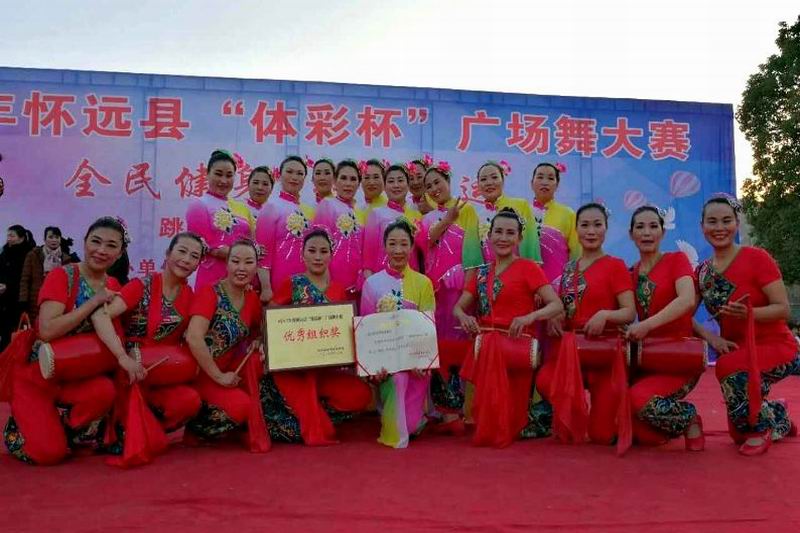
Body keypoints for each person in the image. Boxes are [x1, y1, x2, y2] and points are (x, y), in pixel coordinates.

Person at [3, 217, 144, 465]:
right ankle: (20, 429)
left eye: (111, 245)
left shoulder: (113, 285)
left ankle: (65, 429)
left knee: (104, 391)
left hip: (78, 375)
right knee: (48, 454)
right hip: (40, 375)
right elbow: (47, 330)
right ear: (85, 241)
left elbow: (117, 334)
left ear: (120, 253)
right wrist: (93, 302)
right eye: (96, 241)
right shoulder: (63, 276)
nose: (101, 250)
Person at [694, 195, 798, 456]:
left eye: (726, 221)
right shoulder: (703, 272)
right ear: (702, 226)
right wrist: (712, 339)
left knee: (728, 368)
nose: (720, 227)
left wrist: (749, 314)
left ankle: (762, 428)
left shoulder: (757, 258)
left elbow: (783, 309)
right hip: (738, 351)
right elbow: (684, 313)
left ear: (737, 224)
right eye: (712, 221)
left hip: (776, 347)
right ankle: (777, 414)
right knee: (738, 432)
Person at [454, 209, 562, 448]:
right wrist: (464, 317)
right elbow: (459, 307)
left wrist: (529, 317)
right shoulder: (482, 272)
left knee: (511, 423)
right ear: (489, 236)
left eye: (510, 233)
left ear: (519, 238)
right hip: (488, 349)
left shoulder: (528, 268)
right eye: (499, 232)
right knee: (490, 420)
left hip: (516, 346)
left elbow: (556, 304)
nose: (503, 238)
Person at [92, 232, 206, 460]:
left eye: (194, 256)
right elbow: (101, 316)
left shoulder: (191, 296)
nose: (186, 260)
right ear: (168, 253)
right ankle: (121, 425)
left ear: (198, 265)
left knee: (189, 401)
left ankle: (149, 427)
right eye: (182, 251)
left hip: (162, 372)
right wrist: (122, 357)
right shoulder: (140, 286)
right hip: (129, 370)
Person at [535, 203, 636, 445]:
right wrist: (555, 317)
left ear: (606, 229)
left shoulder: (616, 266)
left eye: (597, 225)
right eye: (585, 225)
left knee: (601, 435)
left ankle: (604, 414)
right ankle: (577, 408)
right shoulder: (569, 269)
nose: (591, 231)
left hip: (604, 355)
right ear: (576, 229)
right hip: (572, 355)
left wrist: (605, 315)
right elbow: (566, 308)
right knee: (545, 379)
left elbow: (629, 312)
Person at [261, 228, 372, 444]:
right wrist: (266, 344)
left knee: (360, 395)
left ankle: (316, 416)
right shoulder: (292, 283)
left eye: (323, 251)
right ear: (302, 254)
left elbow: (344, 331)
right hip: (294, 370)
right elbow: (270, 319)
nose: (318, 257)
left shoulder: (338, 290)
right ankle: (310, 419)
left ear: (331, 255)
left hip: (325, 369)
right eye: (312, 251)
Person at [625, 206, 704, 451]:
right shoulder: (631, 273)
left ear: (662, 231)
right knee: (641, 434)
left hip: (679, 357)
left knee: (638, 399)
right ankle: (663, 426)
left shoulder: (676, 261)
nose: (647, 232)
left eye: (653, 226)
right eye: (640, 227)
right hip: (647, 359)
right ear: (631, 234)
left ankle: (689, 417)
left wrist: (646, 325)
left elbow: (687, 301)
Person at [184, 239, 269, 452]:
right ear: (227, 264)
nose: (242, 268)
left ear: (256, 266)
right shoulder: (209, 292)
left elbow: (260, 330)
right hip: (201, 373)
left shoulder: (251, 297)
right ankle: (197, 427)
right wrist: (219, 376)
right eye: (236, 261)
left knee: (260, 361)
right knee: (241, 407)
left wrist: (258, 341)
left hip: (229, 371)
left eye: (248, 262)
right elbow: (194, 338)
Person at [418, 160, 482, 430]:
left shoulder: (468, 210)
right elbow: (426, 242)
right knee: (440, 346)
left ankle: (462, 409)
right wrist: (447, 219)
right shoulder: (426, 218)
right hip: (437, 290)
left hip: (461, 287)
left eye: (438, 182)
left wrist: (469, 287)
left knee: (461, 344)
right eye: (429, 186)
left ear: (448, 181)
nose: (434, 188)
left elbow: (474, 252)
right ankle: (443, 409)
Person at [360, 219, 436, 448]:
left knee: (409, 426)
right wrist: (374, 368)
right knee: (396, 379)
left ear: (412, 247)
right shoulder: (372, 284)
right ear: (384, 246)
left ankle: (413, 418)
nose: (398, 250)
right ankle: (393, 419)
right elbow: (367, 331)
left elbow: (427, 327)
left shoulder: (423, 283)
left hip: (415, 365)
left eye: (404, 244)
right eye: (392, 244)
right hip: (386, 367)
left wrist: (421, 361)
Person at [186, 149, 254, 290]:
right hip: (212, 278)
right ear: (207, 174)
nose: (223, 180)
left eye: (229, 175)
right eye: (218, 174)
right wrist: (244, 256)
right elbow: (205, 246)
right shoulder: (199, 205)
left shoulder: (242, 208)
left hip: (243, 279)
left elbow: (252, 242)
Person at [255, 155, 315, 301]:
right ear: (279, 175)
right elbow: (263, 254)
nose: (294, 177)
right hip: (279, 278)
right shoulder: (271, 207)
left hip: (307, 279)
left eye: (300, 173)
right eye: (289, 172)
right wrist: (266, 287)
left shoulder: (308, 211)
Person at [313, 160, 365, 296]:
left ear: (358, 184)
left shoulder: (361, 212)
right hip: (332, 279)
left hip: (358, 280)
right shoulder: (327, 204)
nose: (348, 183)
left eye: (353, 179)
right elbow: (318, 245)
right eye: (343, 178)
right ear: (335, 181)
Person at [472, 161, 541, 264]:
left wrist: (530, 268)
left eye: (494, 177)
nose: (489, 183)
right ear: (478, 185)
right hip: (489, 271)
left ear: (503, 180)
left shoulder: (521, 206)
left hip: (517, 268)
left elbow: (530, 243)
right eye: (483, 179)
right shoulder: (478, 215)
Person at [362, 163, 421, 278]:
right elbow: (368, 260)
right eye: (391, 181)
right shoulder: (376, 214)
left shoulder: (417, 215)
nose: (396, 185)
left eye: (400, 180)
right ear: (384, 186)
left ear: (408, 184)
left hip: (411, 279)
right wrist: (371, 283)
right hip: (382, 278)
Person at [530, 163, 580, 285]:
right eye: (540, 177)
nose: (545, 182)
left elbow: (576, 253)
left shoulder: (568, 214)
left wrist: (569, 283)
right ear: (531, 183)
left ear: (557, 185)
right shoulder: (522, 212)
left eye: (550, 178)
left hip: (558, 284)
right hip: (527, 283)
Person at [19, 226, 78, 322]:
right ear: (44, 239)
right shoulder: (33, 255)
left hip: (57, 301)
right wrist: (23, 301)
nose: (54, 240)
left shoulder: (66, 258)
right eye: (50, 237)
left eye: (57, 237)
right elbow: (25, 279)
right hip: (35, 301)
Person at [0, 225, 36, 350]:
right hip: (3, 298)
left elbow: (25, 278)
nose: (8, 238)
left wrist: (8, 286)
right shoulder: (5, 251)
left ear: (21, 238)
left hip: (19, 300)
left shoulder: (28, 254)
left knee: (14, 331)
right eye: (8, 235)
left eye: (12, 236)